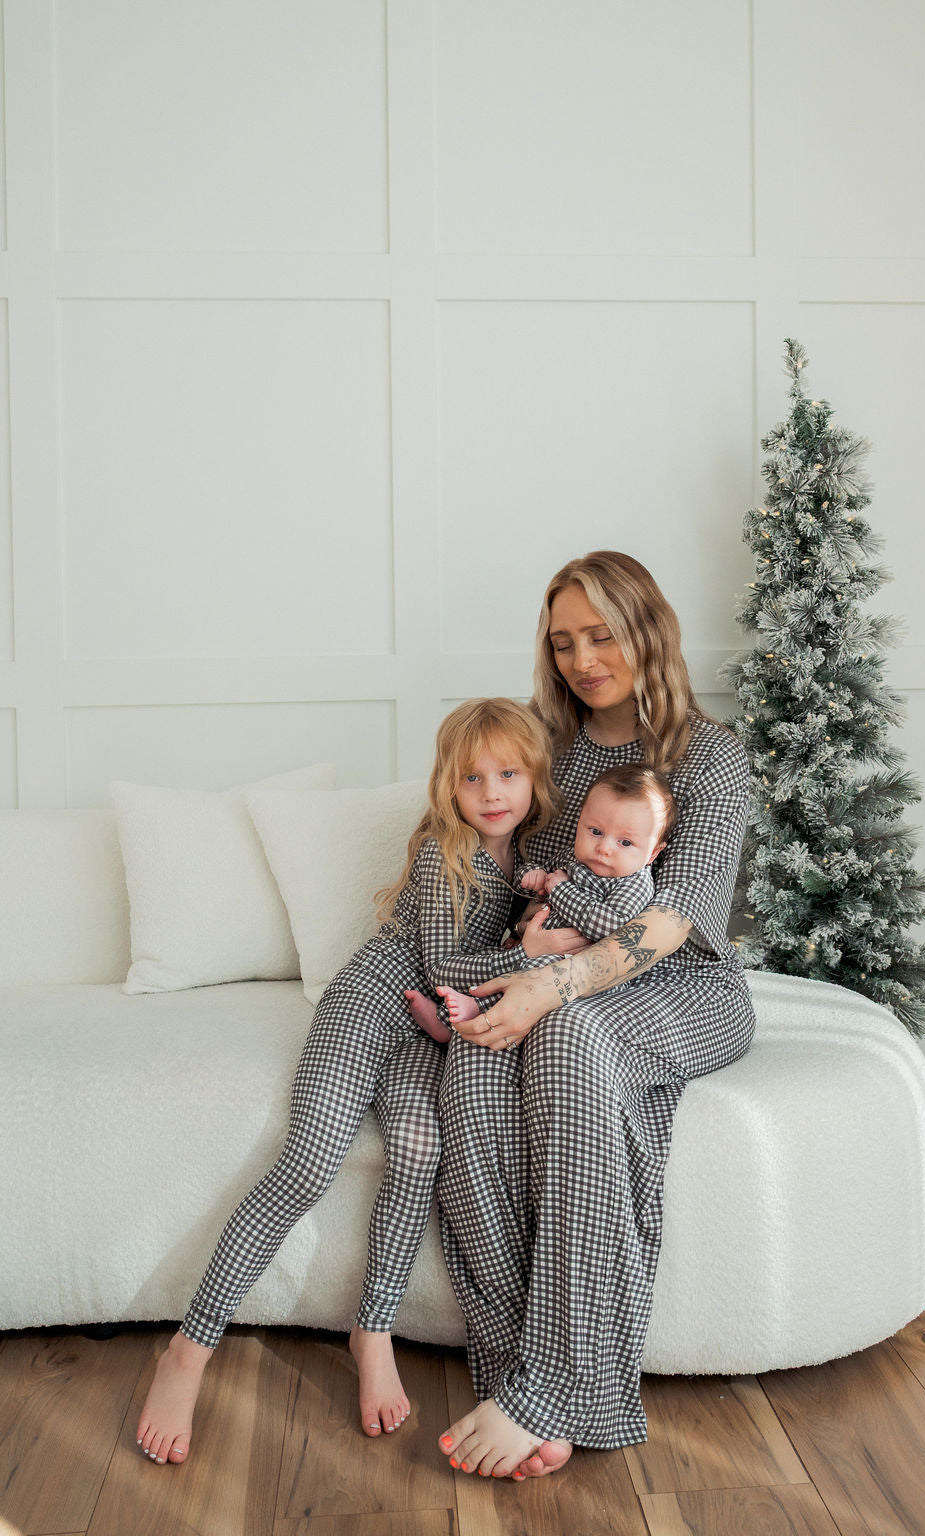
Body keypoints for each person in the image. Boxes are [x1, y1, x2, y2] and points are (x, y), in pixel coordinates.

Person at [135, 697, 560, 1466]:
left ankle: (374, 1330)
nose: (492, 791)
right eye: (472, 778)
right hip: (370, 1009)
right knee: (307, 1165)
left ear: (534, 777)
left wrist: (542, 939)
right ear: (448, 788)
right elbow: (441, 967)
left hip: (427, 1034)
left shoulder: (530, 864)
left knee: (420, 1154)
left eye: (508, 773)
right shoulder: (445, 851)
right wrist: (537, 960)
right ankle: (188, 1352)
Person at [433, 551, 757, 1482]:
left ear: (646, 630)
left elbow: (675, 913)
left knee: (570, 1035)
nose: (582, 658)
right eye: (563, 640)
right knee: (473, 1068)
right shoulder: (550, 749)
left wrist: (554, 987)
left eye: (602, 634)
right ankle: (516, 1377)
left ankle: (561, 1386)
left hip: (682, 986)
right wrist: (506, 968)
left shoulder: (709, 754)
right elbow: (507, 870)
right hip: (558, 966)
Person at [410, 763, 677, 1036]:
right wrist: (533, 876)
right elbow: (535, 876)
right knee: (497, 957)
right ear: (580, 823)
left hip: (579, 970)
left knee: (529, 973)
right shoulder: (573, 859)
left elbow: (609, 925)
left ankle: (460, 1019)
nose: (604, 848)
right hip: (540, 945)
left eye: (625, 843)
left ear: (653, 853)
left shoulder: (634, 883)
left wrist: (560, 890)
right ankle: (453, 1016)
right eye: (595, 832)